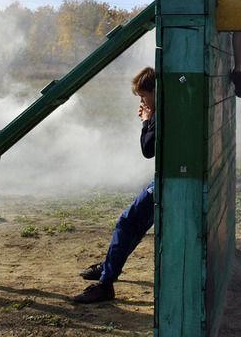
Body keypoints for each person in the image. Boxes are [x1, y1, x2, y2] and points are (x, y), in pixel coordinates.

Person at [73, 67, 156, 304]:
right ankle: (109, 267)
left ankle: (106, 283)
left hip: (167, 181)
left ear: (155, 91)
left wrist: (146, 122)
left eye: (144, 95)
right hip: (166, 178)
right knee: (133, 227)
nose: (142, 100)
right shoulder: (165, 106)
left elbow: (147, 149)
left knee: (127, 223)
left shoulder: (161, 112)